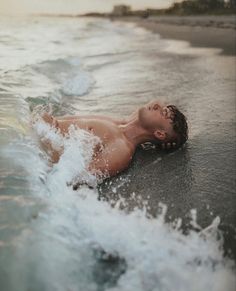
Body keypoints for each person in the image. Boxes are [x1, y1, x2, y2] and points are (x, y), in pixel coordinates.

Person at [40, 100, 188, 179]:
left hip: (35, 148)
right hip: (35, 131)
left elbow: (79, 176)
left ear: (160, 134)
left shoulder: (122, 149)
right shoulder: (118, 123)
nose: (157, 105)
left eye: (163, 112)